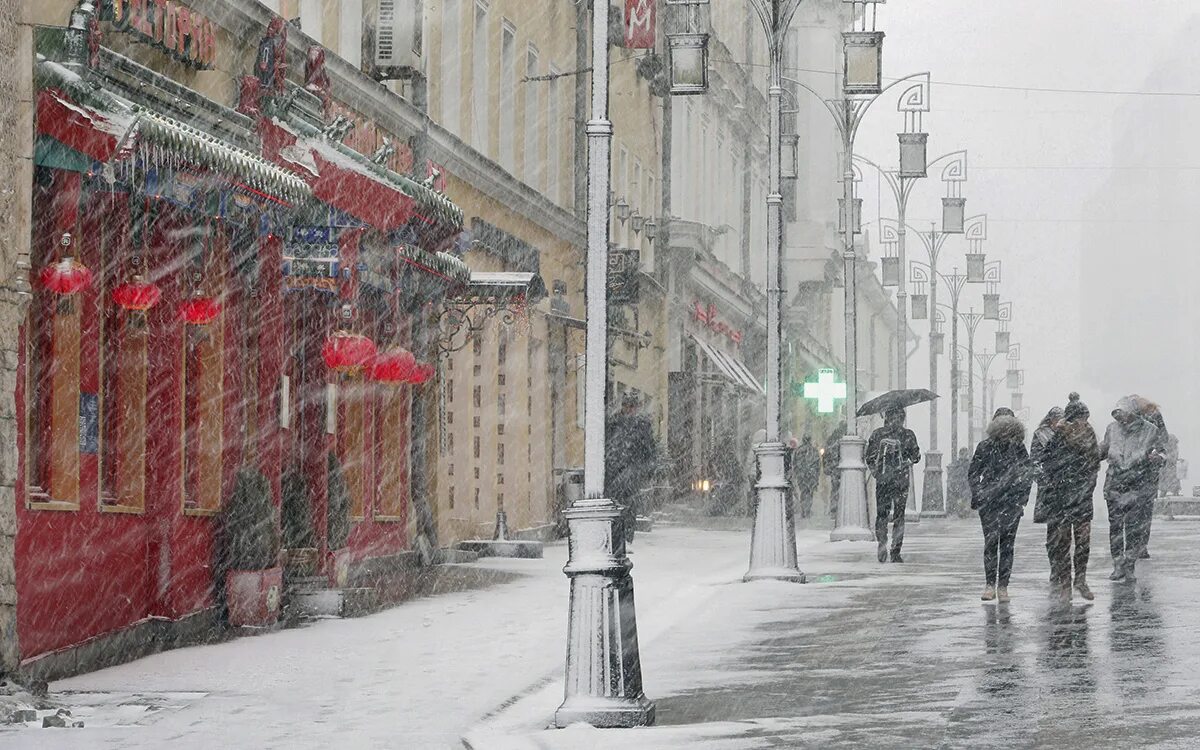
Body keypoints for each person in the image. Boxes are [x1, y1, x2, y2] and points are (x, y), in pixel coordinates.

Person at [1034, 394, 1101, 603]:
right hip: (1062, 497)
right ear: (1072, 418)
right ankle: (1066, 584)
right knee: (1062, 543)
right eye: (1080, 417)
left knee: (1083, 541)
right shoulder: (1058, 435)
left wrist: (1087, 487)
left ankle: (1080, 579)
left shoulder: (1089, 434)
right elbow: (1047, 461)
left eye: (1085, 417)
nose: (1083, 422)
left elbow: (1094, 463)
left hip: (1081, 496)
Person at [969, 409, 1033, 602]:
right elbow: (974, 472)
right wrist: (980, 493)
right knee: (993, 544)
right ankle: (992, 585)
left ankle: (1001, 586)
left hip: (1009, 503)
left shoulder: (1018, 448)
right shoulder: (985, 447)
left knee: (1005, 545)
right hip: (992, 504)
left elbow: (1026, 475)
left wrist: (1021, 498)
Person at [1099, 396, 1164, 581]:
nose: (1122, 418)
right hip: (1114, 484)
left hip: (1137, 484)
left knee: (1133, 528)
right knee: (1116, 527)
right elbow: (1103, 449)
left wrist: (1158, 458)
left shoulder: (1150, 430)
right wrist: (1087, 456)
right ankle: (1118, 564)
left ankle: (1129, 565)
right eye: (1118, 414)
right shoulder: (1112, 429)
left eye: (1125, 414)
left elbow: (1161, 451)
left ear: (1134, 413)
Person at [865, 406, 921, 562]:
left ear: (886, 418)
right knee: (899, 516)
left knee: (882, 513)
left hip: (883, 480)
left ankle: (882, 543)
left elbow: (869, 457)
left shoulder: (877, 434)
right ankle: (896, 551)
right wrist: (907, 459)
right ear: (902, 418)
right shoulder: (908, 435)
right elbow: (916, 457)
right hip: (901, 480)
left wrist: (877, 472)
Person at [605, 392, 657, 543]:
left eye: (632, 406)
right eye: (627, 406)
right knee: (615, 504)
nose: (629, 409)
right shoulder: (614, 424)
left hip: (631, 471)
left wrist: (645, 469)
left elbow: (649, 450)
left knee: (628, 504)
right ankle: (617, 537)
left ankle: (627, 538)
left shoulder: (642, 426)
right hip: (615, 471)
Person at [1132, 396, 1169, 559]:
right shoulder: (1150, 416)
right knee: (1143, 512)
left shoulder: (1152, 417)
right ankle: (1139, 546)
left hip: (1142, 472)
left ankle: (1137, 545)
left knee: (1140, 511)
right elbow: (1163, 438)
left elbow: (1162, 440)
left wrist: (1157, 454)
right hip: (1141, 473)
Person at [793, 435, 821, 519]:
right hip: (811, 475)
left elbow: (794, 463)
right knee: (809, 492)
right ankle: (807, 510)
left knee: (803, 492)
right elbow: (817, 465)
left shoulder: (798, 450)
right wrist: (816, 475)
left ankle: (803, 509)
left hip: (801, 475)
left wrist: (797, 472)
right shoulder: (814, 451)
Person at [824, 422, 847, 519]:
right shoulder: (846, 438)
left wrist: (827, 467)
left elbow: (826, 454)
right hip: (843, 467)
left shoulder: (832, 438)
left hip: (835, 467)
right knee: (845, 489)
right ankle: (843, 509)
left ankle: (835, 510)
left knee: (835, 489)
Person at [946, 447, 971, 516]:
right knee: (963, 497)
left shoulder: (958, 464)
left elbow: (954, 474)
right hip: (963, 483)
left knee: (961, 498)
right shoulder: (967, 464)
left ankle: (962, 510)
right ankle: (964, 510)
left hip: (962, 483)